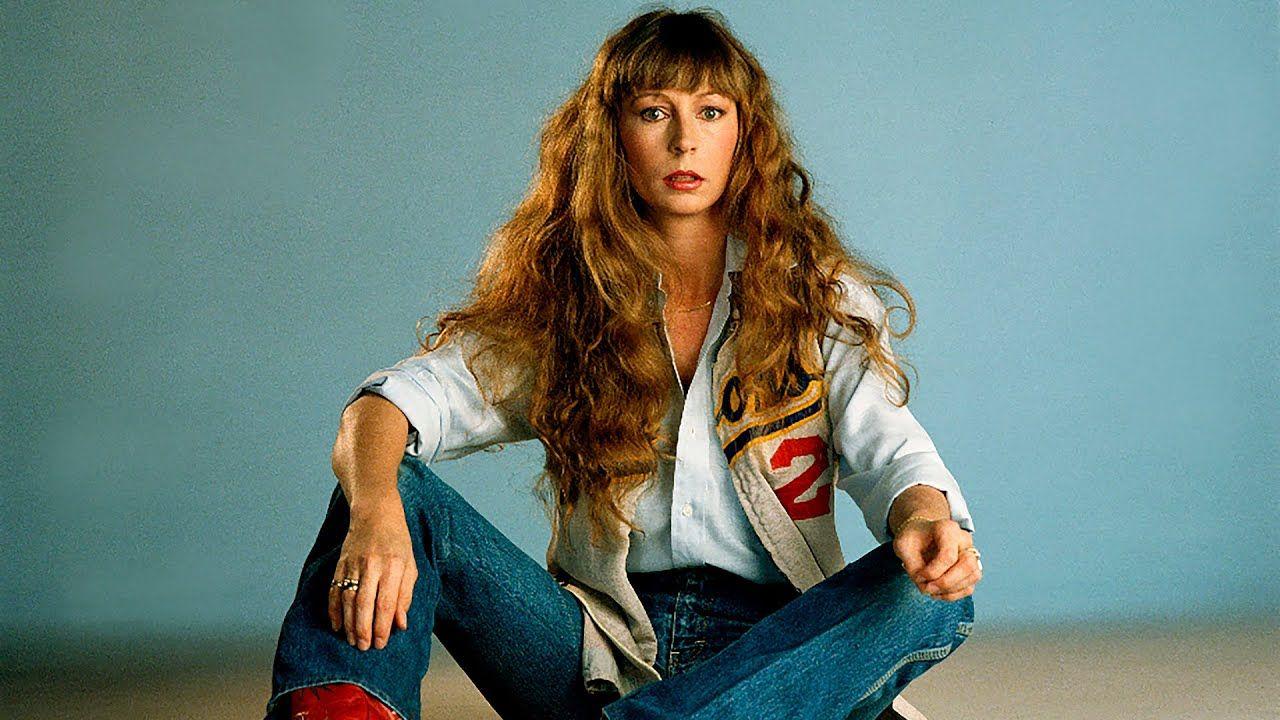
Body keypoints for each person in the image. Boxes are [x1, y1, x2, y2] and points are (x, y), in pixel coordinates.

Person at [265, 7, 983, 720]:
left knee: (925, 592)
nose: (684, 141)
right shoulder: (566, 305)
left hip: (779, 655)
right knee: (393, 491)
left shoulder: (817, 298)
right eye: (653, 112)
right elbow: (389, 403)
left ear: (745, 134)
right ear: (614, 135)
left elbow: (895, 457)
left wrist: (926, 520)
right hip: (597, 652)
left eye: (710, 112)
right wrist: (377, 512)